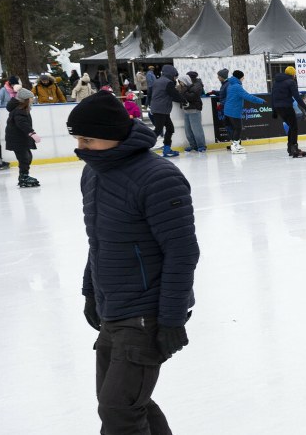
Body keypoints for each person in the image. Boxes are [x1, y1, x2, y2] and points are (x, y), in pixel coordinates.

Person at [68, 92, 199, 435]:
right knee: (123, 403)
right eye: (77, 139)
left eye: (87, 139)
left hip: (147, 312)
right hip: (114, 305)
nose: (80, 148)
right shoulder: (94, 174)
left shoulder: (157, 177)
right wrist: (90, 293)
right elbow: (99, 241)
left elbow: (182, 252)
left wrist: (170, 319)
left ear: (113, 134)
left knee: (119, 408)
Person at [270, 67, 306, 157]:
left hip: (279, 108)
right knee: (294, 127)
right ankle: (294, 149)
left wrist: (274, 111)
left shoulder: (276, 82)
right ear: (293, 74)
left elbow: (272, 97)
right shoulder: (291, 82)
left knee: (291, 127)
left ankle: (290, 148)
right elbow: (297, 97)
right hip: (287, 107)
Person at [223, 70, 265, 153]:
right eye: (243, 77)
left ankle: (235, 145)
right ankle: (235, 146)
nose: (243, 79)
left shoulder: (230, 85)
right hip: (233, 111)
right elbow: (247, 96)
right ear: (240, 77)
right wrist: (261, 101)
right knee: (237, 128)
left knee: (235, 128)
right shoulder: (237, 86)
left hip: (228, 110)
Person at [5, 88, 40, 187]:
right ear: (26, 99)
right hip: (17, 139)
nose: (32, 100)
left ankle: (23, 176)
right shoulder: (19, 111)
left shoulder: (22, 109)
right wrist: (32, 133)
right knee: (24, 158)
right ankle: (23, 177)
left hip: (20, 138)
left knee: (27, 157)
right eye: (31, 98)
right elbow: (22, 123)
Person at [148, 65, 182, 158]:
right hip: (161, 109)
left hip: (160, 109)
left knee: (170, 128)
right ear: (171, 74)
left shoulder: (157, 81)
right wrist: (184, 101)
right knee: (158, 130)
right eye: (175, 76)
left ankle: (167, 148)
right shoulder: (168, 82)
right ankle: (144, 147)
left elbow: (150, 93)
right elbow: (174, 95)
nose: (175, 78)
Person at [178, 73, 207, 154]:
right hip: (186, 110)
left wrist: (183, 91)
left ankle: (201, 146)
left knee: (196, 129)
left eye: (180, 82)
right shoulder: (184, 87)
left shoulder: (196, 85)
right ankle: (193, 145)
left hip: (194, 109)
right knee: (188, 130)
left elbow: (192, 96)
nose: (180, 83)